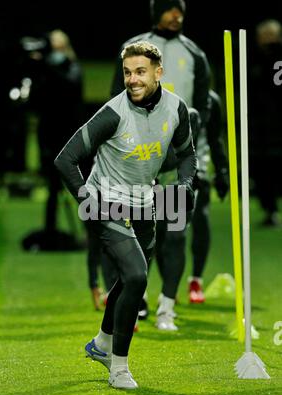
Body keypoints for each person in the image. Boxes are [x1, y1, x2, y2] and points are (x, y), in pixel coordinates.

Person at [54, 41, 197, 389]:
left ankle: (102, 343)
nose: (132, 80)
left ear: (158, 73)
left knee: (131, 278)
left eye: (140, 72)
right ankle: (118, 367)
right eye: (128, 73)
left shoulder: (176, 109)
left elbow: (186, 155)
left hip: (145, 201)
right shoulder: (113, 113)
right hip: (106, 202)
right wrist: (89, 200)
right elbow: (65, 159)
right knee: (136, 277)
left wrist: (186, 185)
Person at [110, 0, 211, 323]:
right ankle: (136, 297)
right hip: (140, 160)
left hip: (177, 159)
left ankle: (167, 305)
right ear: (156, 11)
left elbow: (203, 108)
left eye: (180, 9)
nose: (176, 15)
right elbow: (116, 102)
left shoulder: (194, 54)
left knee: (177, 233)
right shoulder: (133, 48)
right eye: (169, 9)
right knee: (140, 232)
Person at [156, 90, 229, 329]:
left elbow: (215, 138)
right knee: (160, 235)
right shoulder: (156, 98)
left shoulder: (208, 100)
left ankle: (193, 282)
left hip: (195, 172)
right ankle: (167, 289)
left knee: (192, 224)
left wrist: (221, 171)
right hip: (159, 175)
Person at [248, 19, 282, 227]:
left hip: (278, 123)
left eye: (271, 36)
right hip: (259, 126)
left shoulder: (277, 60)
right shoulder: (251, 58)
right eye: (264, 36)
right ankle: (270, 210)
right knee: (262, 169)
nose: (267, 41)